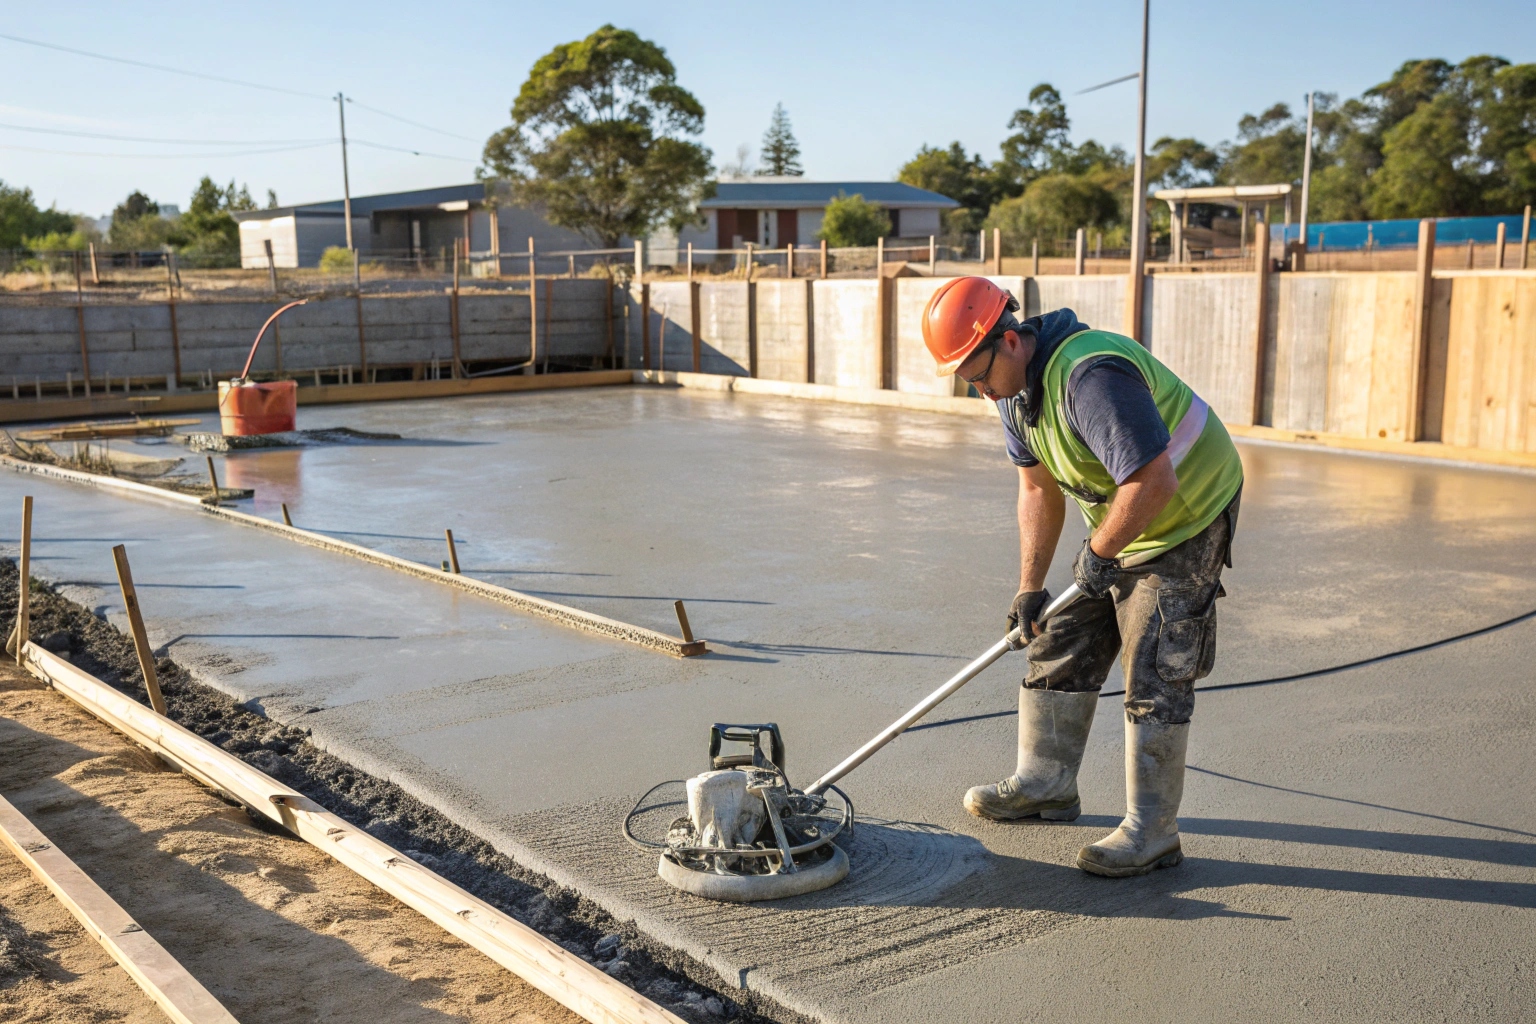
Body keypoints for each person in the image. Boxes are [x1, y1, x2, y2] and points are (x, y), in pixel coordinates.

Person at [921, 277, 1243, 877]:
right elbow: (1037, 488)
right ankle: (1046, 784)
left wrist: (1099, 553)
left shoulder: (1090, 379)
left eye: (979, 376)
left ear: (1012, 341)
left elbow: (1154, 482)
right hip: (1127, 516)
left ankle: (1153, 832)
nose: (982, 394)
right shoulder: (1015, 394)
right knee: (1058, 633)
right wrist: (1029, 587)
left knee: (1156, 660)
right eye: (969, 382)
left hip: (1186, 513)